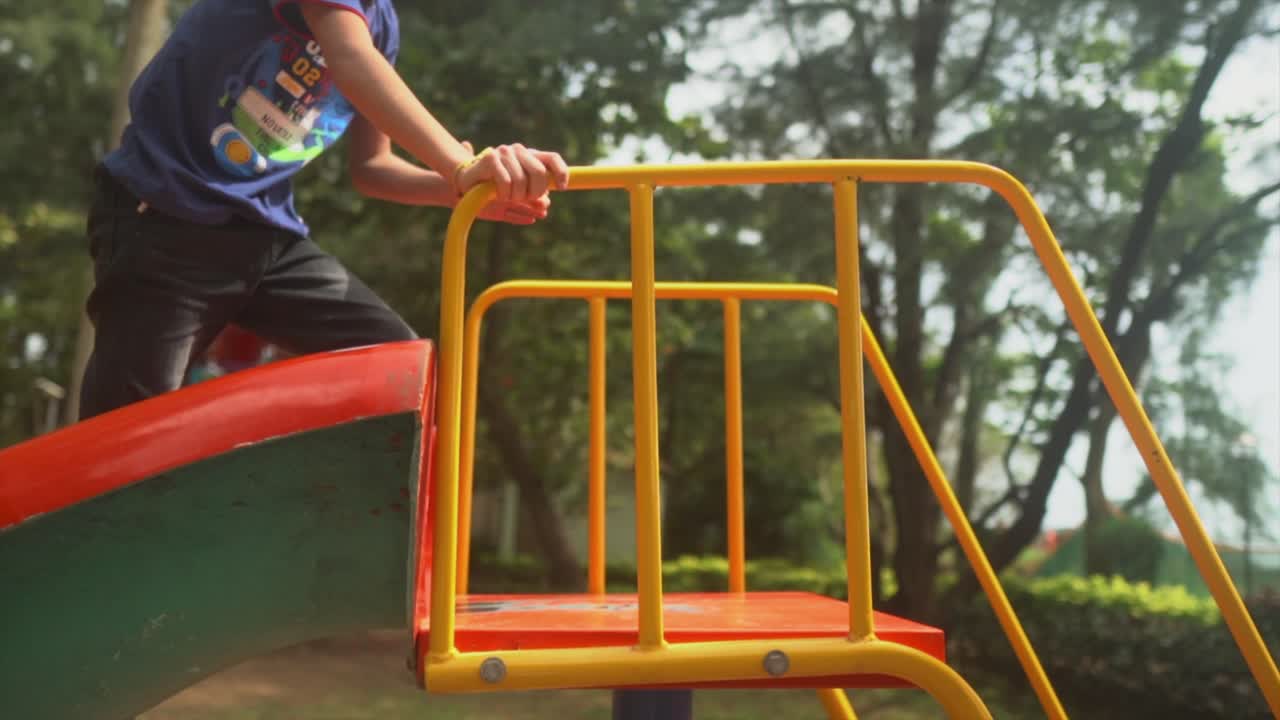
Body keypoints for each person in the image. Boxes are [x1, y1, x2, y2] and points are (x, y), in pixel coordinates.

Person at [79, 0, 568, 420]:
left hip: (262, 234)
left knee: (392, 364)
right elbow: (349, 56)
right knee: (128, 432)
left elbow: (372, 167)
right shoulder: (357, 39)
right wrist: (462, 165)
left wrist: (458, 193)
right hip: (169, 216)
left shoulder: (382, 25)